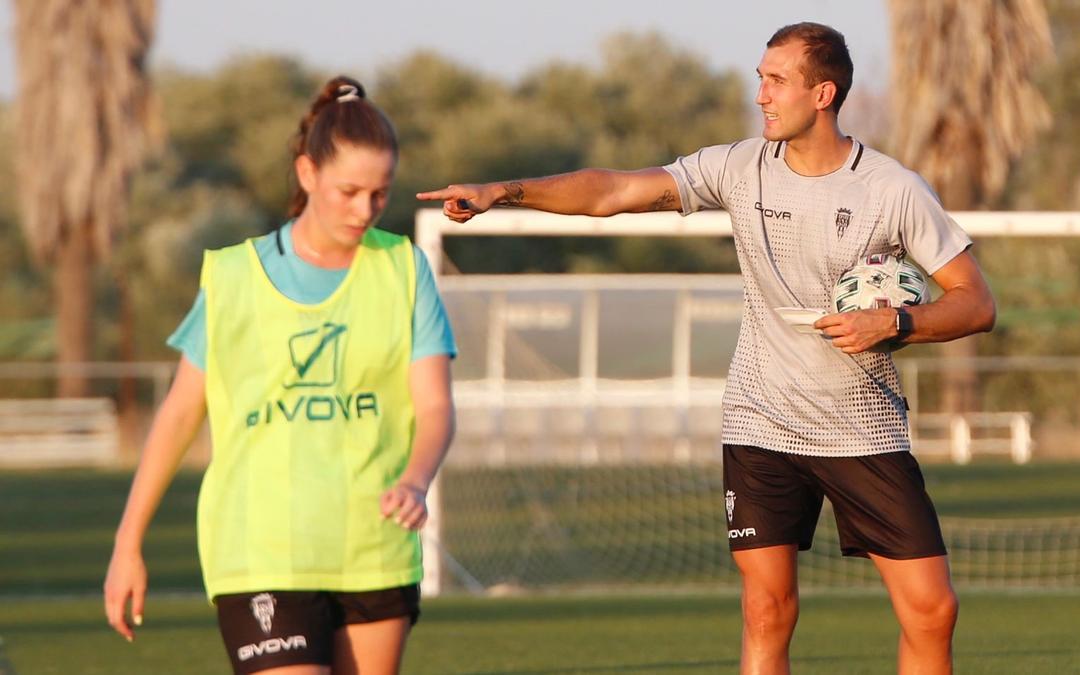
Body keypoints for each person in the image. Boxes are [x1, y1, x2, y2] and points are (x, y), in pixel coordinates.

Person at [418, 22, 994, 675]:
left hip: (862, 429)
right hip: (761, 421)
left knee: (931, 609)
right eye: (760, 80)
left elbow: (976, 302)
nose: (762, 96)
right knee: (767, 608)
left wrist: (895, 323)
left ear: (824, 93)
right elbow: (612, 191)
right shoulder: (737, 166)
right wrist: (504, 192)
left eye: (776, 81)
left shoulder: (893, 189)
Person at [105, 75, 457, 675]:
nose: (364, 210)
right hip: (259, 550)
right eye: (348, 191)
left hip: (372, 549)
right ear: (306, 174)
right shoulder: (234, 276)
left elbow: (434, 408)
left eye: (379, 193)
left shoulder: (403, 270)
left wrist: (417, 481)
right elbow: (181, 414)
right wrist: (127, 542)